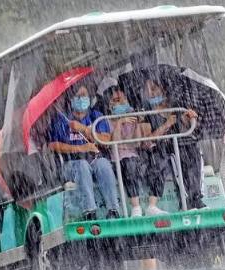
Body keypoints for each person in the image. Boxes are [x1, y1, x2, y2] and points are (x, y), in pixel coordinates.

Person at [48, 82, 120, 220]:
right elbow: (53, 145)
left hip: (93, 159)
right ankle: (89, 212)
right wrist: (80, 148)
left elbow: (106, 139)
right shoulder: (62, 119)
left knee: (103, 164)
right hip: (71, 164)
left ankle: (113, 210)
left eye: (84, 95)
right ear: (71, 99)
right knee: (82, 165)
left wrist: (84, 129)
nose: (81, 99)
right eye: (78, 96)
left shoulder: (96, 116)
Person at [141, 78, 208, 210]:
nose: (151, 93)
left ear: (163, 90)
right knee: (176, 155)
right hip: (161, 150)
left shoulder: (176, 109)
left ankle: (196, 197)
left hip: (181, 146)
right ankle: (185, 200)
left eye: (154, 89)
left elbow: (192, 128)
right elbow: (147, 141)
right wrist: (167, 124)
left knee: (192, 150)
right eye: (147, 90)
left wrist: (193, 118)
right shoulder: (145, 114)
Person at [104, 86, 167, 216]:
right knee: (129, 164)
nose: (122, 102)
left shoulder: (132, 119)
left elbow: (137, 142)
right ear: (110, 105)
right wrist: (120, 122)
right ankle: (136, 207)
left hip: (136, 157)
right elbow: (114, 143)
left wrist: (137, 122)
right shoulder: (107, 121)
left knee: (159, 160)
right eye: (117, 100)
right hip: (119, 160)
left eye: (124, 99)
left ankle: (152, 205)